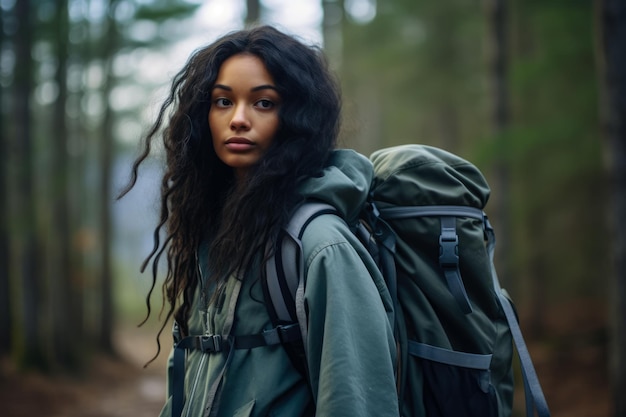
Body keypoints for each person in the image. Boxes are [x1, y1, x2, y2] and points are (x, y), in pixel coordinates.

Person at [121, 25, 399, 417]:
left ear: (295, 118)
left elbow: (357, 403)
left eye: (263, 103)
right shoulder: (212, 236)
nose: (238, 119)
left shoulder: (320, 244)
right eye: (222, 102)